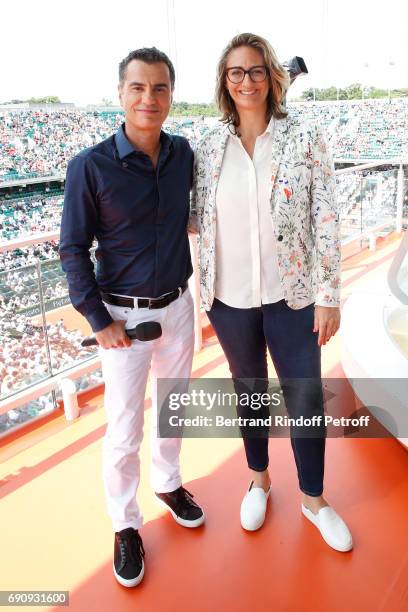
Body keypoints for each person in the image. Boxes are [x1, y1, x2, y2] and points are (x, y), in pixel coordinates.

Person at [190, 33, 353, 552]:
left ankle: (313, 499)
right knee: (249, 393)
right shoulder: (208, 143)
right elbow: (195, 216)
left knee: (304, 395)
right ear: (224, 82)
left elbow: (325, 217)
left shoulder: (304, 136)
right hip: (229, 299)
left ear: (272, 77)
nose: (246, 81)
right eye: (236, 72)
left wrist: (329, 294)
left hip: (295, 296)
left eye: (256, 70)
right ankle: (258, 479)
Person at [60, 47, 204, 588]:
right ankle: (124, 523)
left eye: (160, 88)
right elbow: (72, 249)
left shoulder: (184, 153)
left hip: (178, 307)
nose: (149, 97)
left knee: (174, 409)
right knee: (123, 430)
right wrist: (99, 321)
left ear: (171, 95)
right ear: (121, 93)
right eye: (139, 87)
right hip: (121, 317)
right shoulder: (88, 165)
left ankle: (168, 483)